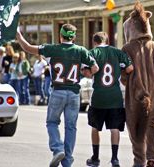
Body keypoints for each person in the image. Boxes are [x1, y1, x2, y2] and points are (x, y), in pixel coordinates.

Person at [16, 23, 99, 167]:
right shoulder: (81, 51)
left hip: (58, 91)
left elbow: (28, 48)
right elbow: (95, 68)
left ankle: (57, 149)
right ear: (73, 38)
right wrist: (84, 71)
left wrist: (18, 35)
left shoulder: (52, 49)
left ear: (61, 36)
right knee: (71, 127)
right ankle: (67, 161)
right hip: (74, 93)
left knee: (52, 122)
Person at [122, 2, 154, 167]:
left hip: (134, 93)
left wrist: (127, 80)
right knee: (152, 125)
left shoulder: (127, 48)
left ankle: (139, 160)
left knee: (135, 127)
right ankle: (151, 157)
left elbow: (122, 75)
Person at [84, 32, 133, 167]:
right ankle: (115, 158)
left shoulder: (92, 53)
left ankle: (95, 157)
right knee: (114, 129)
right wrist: (121, 70)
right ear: (107, 40)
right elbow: (130, 68)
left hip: (98, 97)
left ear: (94, 42)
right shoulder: (117, 52)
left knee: (95, 128)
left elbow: (88, 73)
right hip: (115, 97)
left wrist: (88, 72)